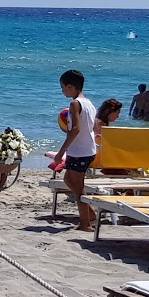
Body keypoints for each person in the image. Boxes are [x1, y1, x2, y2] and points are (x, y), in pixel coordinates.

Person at [52, 70, 99, 232]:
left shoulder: (75, 104)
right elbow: (93, 126)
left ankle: (85, 224)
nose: (62, 91)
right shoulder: (89, 103)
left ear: (70, 86)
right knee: (68, 179)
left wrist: (60, 152)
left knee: (79, 188)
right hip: (87, 149)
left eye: (63, 87)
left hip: (80, 151)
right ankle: (90, 213)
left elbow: (75, 130)